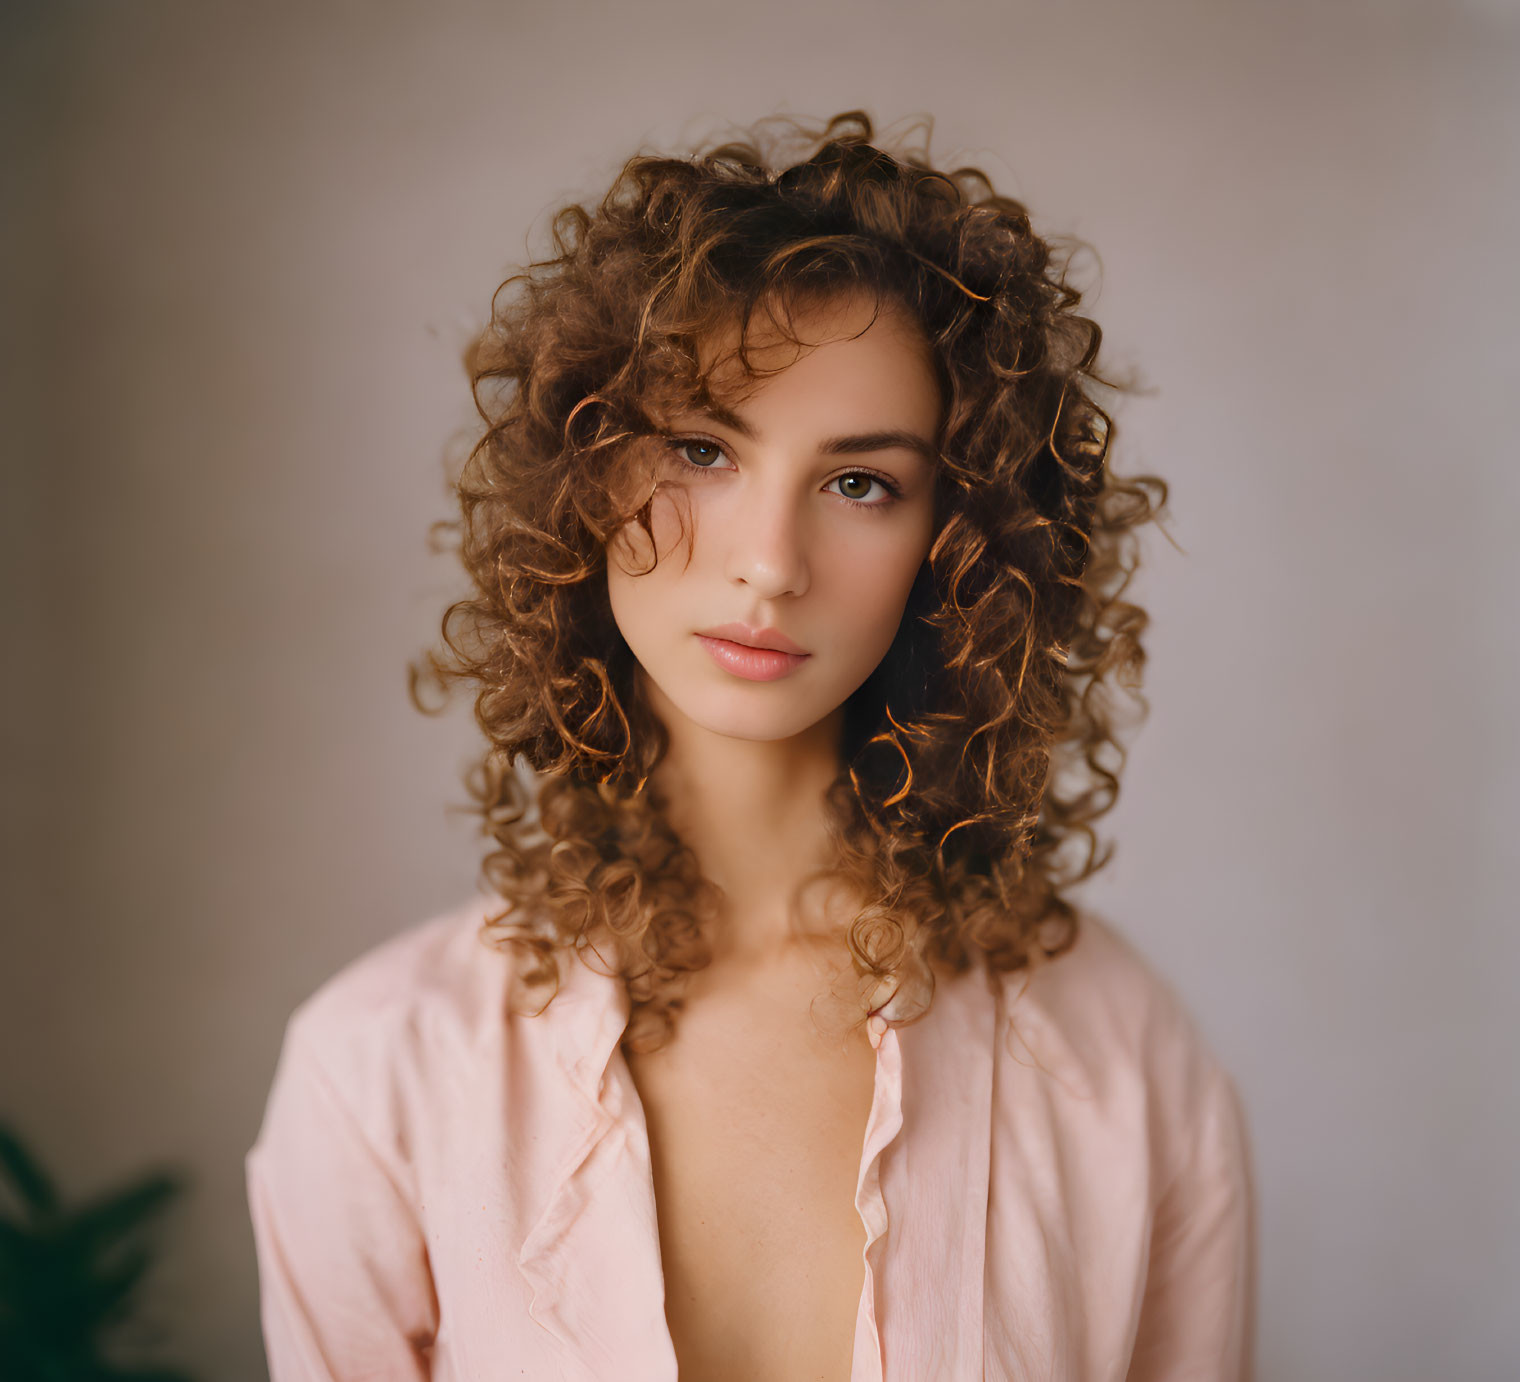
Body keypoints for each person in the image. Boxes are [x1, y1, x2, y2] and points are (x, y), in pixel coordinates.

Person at [245, 110, 1257, 1381]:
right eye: (702, 448)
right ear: (586, 477)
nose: (769, 564)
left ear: (958, 544)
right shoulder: (380, 1069)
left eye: (858, 483)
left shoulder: (1120, 1057)